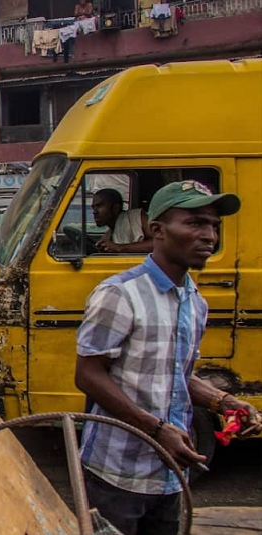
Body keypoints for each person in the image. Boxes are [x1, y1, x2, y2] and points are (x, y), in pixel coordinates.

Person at [75, 180, 262, 535]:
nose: (209, 235)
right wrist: (157, 430)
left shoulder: (195, 302)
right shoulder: (119, 294)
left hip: (170, 476)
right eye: (194, 223)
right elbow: (88, 375)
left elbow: (174, 372)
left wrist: (225, 402)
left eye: (213, 226)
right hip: (117, 473)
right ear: (158, 231)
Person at [92, 189, 153, 253]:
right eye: (93, 207)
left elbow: (162, 241)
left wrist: (120, 247)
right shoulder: (108, 236)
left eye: (99, 206)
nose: (94, 212)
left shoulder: (136, 217)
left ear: (116, 208)